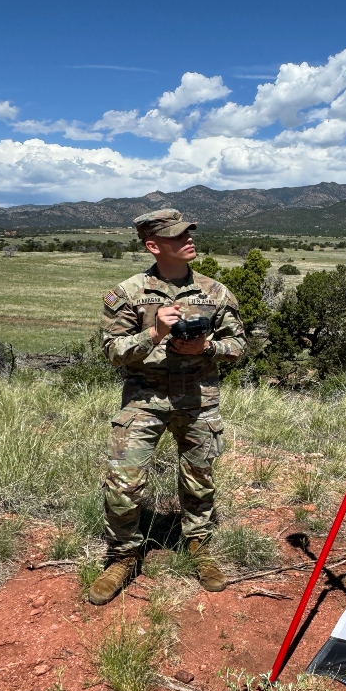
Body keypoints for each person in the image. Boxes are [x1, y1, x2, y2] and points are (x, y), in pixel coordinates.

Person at [89, 209, 246, 605]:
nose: (189, 240)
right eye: (178, 237)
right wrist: (155, 332)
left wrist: (206, 347)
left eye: (189, 232)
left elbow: (240, 346)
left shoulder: (216, 293)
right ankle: (122, 556)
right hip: (145, 398)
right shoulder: (127, 293)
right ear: (154, 246)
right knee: (123, 482)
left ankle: (198, 546)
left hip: (197, 398)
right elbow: (112, 352)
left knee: (199, 478)